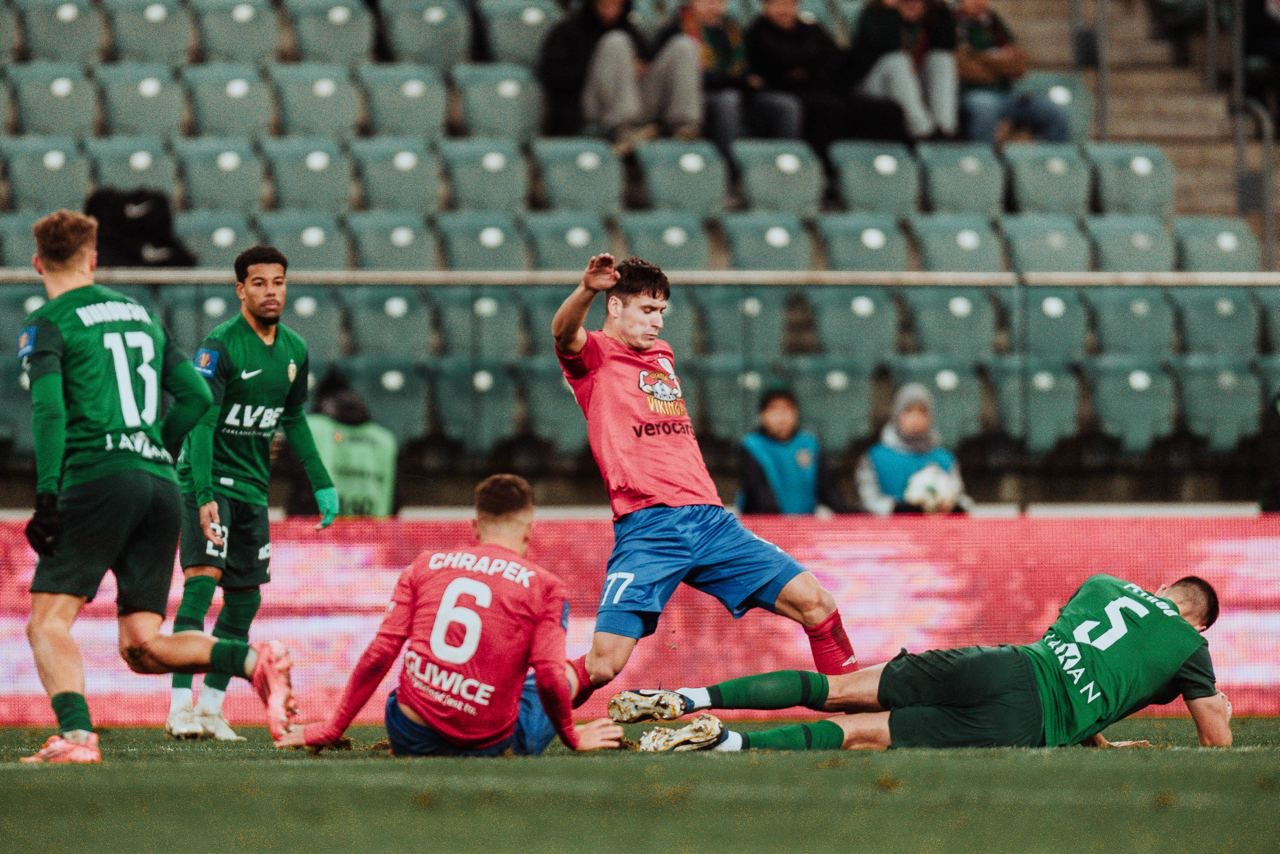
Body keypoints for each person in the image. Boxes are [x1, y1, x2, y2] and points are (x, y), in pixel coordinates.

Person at [17, 210, 295, 764]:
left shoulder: (47, 322)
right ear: (94, 259)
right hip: (159, 484)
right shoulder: (141, 314)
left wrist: (46, 494)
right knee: (143, 646)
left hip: (96, 476)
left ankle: (76, 737)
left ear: (38, 263)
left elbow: (49, 409)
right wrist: (156, 452)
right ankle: (252, 661)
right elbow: (196, 397)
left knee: (47, 622)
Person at [551, 253, 860, 710]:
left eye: (661, 311)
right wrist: (586, 290)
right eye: (646, 310)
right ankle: (515, 714)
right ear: (614, 306)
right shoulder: (594, 356)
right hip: (651, 527)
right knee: (603, 664)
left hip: (712, 522)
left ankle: (856, 711)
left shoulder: (661, 354)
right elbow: (563, 333)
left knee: (817, 604)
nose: (657, 321)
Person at [612, 574, 1233, 753]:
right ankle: (727, 743)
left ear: (1162, 589)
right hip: (1028, 718)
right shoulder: (1190, 647)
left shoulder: (1104, 585)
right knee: (864, 732)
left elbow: (1082, 658)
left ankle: (690, 698)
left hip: (1006, 663)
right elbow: (1215, 740)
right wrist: (1221, 710)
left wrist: (1097, 738)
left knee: (837, 688)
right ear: (1198, 621)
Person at [274, 474, 624, 756]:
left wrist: (332, 728)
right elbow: (548, 676)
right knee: (561, 675)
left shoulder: (425, 565)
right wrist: (572, 736)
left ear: (475, 527)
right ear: (529, 530)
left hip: (410, 734)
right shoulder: (545, 587)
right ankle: (583, 673)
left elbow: (380, 653)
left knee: (412, 690)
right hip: (487, 745)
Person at [165, 246, 339, 742]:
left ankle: (211, 708)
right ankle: (179, 707)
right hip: (208, 479)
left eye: (278, 282)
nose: (271, 292)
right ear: (240, 289)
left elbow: (294, 418)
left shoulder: (295, 349)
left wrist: (322, 481)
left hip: (252, 487)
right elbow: (202, 423)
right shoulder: (219, 347)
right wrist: (203, 495)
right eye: (259, 283)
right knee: (201, 584)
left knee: (244, 600)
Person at [745, 0, 908, 155]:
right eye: (779, 4)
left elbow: (835, 58)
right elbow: (781, 60)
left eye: (789, 4)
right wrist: (809, 59)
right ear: (766, 7)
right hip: (787, 90)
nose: (784, 10)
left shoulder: (810, 29)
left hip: (826, 87)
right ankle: (828, 164)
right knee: (828, 110)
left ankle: (888, 161)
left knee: (887, 109)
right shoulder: (758, 31)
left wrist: (806, 63)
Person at [536, 0, 702, 151]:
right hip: (593, 107)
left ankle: (684, 127)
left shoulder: (629, 30)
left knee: (684, 46)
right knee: (616, 42)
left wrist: (640, 67)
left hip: (638, 103)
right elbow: (554, 76)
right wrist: (603, 67)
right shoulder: (567, 31)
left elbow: (648, 62)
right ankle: (624, 130)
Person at [653, 0, 802, 159]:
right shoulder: (676, 30)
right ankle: (728, 164)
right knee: (728, 101)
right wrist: (735, 80)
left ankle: (783, 163)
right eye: (707, 1)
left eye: (719, 2)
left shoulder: (732, 29)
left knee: (786, 105)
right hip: (697, 98)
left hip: (741, 92)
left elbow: (747, 69)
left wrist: (743, 80)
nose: (713, 6)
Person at [954, 0, 1069, 144]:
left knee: (1054, 112)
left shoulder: (993, 23)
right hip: (973, 94)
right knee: (984, 108)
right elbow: (961, 67)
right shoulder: (953, 24)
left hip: (1007, 94)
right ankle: (983, 157)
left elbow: (1020, 65)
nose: (980, 3)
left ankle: (1055, 157)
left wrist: (978, 57)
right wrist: (1001, 64)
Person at [284, 385, 399, 519]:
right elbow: (396, 495)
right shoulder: (384, 439)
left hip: (317, 527)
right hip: (371, 528)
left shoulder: (311, 428)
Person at [856, 382, 972, 515]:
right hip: (890, 527)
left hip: (936, 527)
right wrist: (898, 509)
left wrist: (952, 505)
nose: (915, 418)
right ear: (896, 414)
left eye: (922, 411)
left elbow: (960, 498)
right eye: (908, 410)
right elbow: (868, 501)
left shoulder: (945, 459)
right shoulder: (875, 458)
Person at [850, 0, 959, 140]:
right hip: (873, 86)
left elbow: (948, 43)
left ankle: (945, 130)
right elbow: (888, 43)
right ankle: (923, 131)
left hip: (911, 88)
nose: (913, 5)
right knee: (897, 60)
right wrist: (890, 12)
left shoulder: (927, 21)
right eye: (905, 2)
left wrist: (939, 8)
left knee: (941, 59)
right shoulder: (875, 15)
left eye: (919, 2)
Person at [738, 389, 852, 515]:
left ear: (796, 414)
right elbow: (758, 493)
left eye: (787, 409)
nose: (781, 416)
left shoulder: (809, 444)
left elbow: (828, 490)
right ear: (762, 415)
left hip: (803, 523)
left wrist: (850, 514)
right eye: (774, 409)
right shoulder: (752, 445)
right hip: (762, 523)